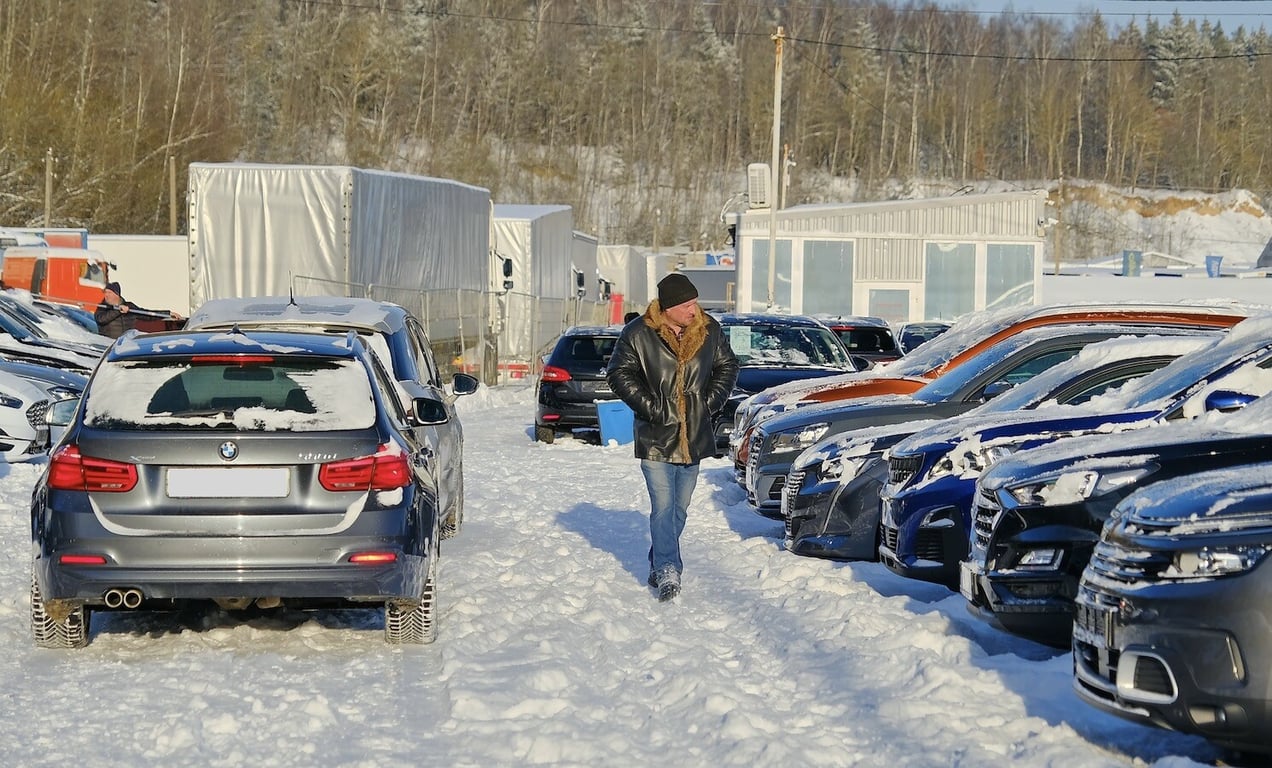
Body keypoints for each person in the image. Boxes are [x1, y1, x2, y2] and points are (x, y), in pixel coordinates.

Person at [605, 273, 739, 601]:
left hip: (693, 433)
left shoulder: (709, 330)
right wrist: (652, 408)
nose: (694, 309)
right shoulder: (638, 333)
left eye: (694, 302)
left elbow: (728, 366)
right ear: (668, 308)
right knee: (663, 506)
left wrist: (707, 403)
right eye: (687, 304)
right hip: (655, 434)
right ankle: (668, 568)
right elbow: (618, 373)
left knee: (681, 507)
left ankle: (658, 556)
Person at [94, 281, 183, 339]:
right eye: (105, 292)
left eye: (109, 292)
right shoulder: (102, 307)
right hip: (108, 345)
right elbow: (101, 319)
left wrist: (168, 313)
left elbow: (147, 314)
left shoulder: (129, 306)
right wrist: (117, 311)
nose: (106, 295)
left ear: (117, 294)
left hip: (126, 345)